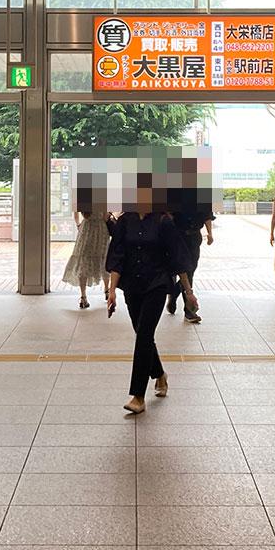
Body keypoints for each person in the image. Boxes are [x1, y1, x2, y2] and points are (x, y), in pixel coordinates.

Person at [105, 176, 195, 415]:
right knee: (142, 334)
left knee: (144, 335)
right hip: (132, 286)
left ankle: (138, 396)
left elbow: (177, 258)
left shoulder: (164, 222)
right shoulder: (125, 222)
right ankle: (160, 374)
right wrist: (112, 290)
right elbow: (117, 256)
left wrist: (188, 292)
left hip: (156, 284)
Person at [167, 155, 212, 323]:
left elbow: (207, 214)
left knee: (191, 269)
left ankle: (174, 292)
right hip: (177, 236)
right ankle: (189, 310)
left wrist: (210, 233)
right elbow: (167, 213)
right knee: (183, 269)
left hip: (194, 236)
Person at [61, 175, 108, 309]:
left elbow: (76, 215)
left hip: (86, 229)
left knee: (83, 261)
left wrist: (79, 225)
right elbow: (105, 217)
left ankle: (83, 297)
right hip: (100, 230)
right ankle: (107, 290)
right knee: (103, 259)